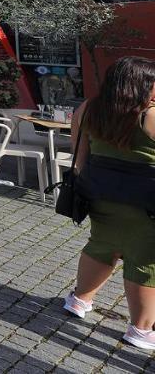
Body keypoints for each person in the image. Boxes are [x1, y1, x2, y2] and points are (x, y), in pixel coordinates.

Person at [63, 56, 155, 350]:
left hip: (100, 194)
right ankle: (141, 331)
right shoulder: (150, 116)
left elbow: (79, 157)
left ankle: (79, 300)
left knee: (102, 245)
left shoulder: (88, 108)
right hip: (146, 203)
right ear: (140, 85)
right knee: (144, 260)